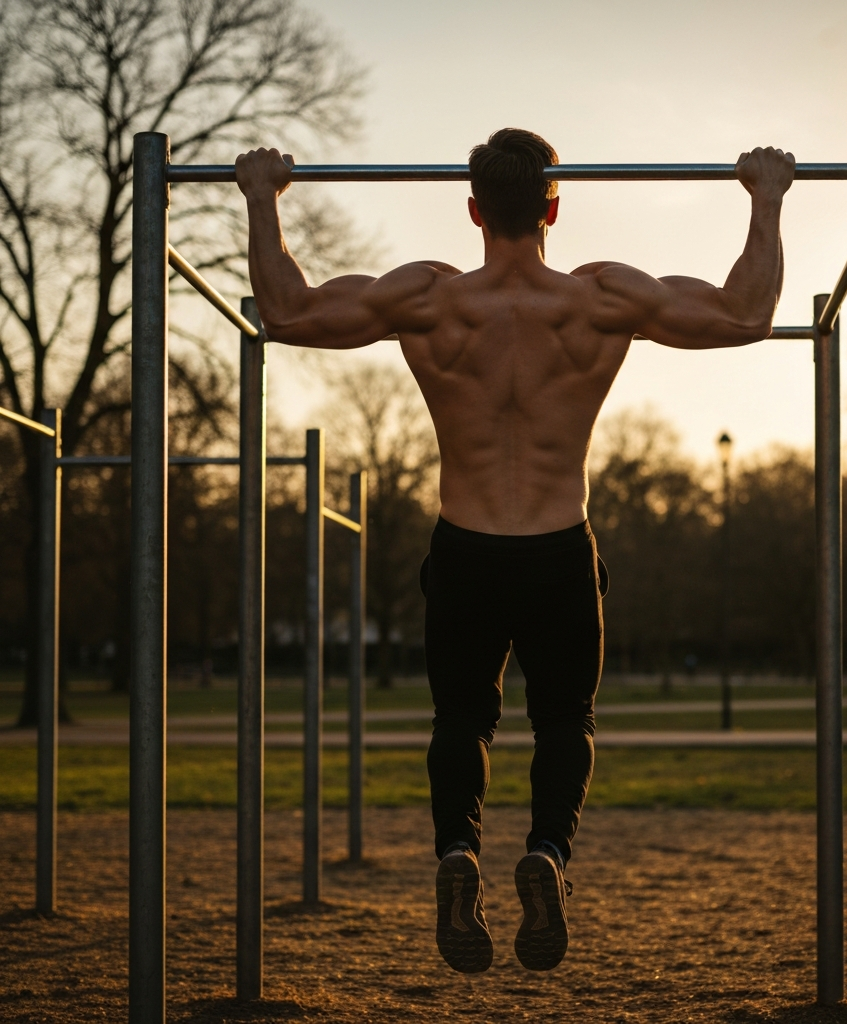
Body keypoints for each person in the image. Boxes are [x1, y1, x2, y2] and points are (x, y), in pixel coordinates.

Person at [236, 128, 795, 974]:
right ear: (553, 207)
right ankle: (546, 855)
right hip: (557, 546)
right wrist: (765, 195)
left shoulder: (427, 296)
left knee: (461, 719)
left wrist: (262, 198)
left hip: (465, 546)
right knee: (564, 721)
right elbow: (744, 314)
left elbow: (289, 311)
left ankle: (458, 852)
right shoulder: (601, 296)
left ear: (473, 210)